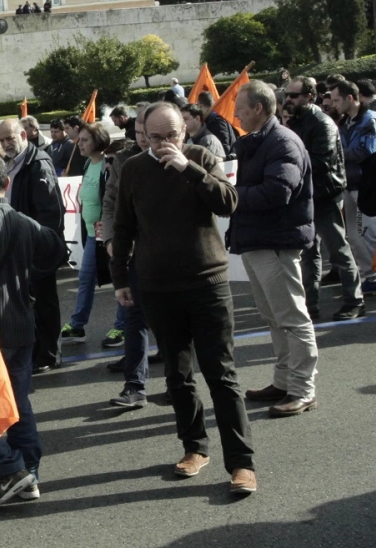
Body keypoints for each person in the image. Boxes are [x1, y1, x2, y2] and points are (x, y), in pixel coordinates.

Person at [111, 102, 256, 496]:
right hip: (158, 286)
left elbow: (228, 202)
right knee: (177, 375)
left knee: (221, 374)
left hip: (207, 282)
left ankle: (241, 463)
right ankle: (194, 447)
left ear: (184, 131)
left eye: (171, 135)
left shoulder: (201, 157)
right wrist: (120, 277)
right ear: (142, 134)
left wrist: (187, 168)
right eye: (155, 137)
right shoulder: (133, 169)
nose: (163, 143)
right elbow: (122, 227)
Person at [0, 155, 67, 507]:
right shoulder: (22, 221)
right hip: (22, 325)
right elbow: (56, 248)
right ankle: (28, 474)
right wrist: (30, 272)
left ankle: (11, 469)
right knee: (17, 405)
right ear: (6, 184)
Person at [230, 82, 320, 419]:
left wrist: (231, 195)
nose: (235, 114)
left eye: (240, 107)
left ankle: (302, 389)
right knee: (275, 317)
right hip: (259, 241)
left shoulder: (282, 142)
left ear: (258, 108)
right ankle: (284, 382)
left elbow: (276, 192)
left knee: (292, 319)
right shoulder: (261, 141)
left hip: (275, 242)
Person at [284, 77, 364, 321]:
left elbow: (322, 161)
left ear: (309, 96)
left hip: (324, 194)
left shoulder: (321, 122)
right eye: (287, 95)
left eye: (294, 95)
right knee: (308, 253)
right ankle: (311, 305)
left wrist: (291, 159)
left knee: (337, 249)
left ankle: (354, 301)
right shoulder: (296, 122)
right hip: (306, 194)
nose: (288, 99)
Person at [0, 119, 66, 373]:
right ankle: (37, 351)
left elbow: (50, 212)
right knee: (29, 301)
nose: (6, 144)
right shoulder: (9, 162)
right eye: (2, 140)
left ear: (23, 135)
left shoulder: (37, 164)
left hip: (37, 246)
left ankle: (49, 353)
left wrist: (38, 245)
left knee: (44, 301)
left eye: (10, 138)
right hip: (19, 245)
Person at [101, 114, 156, 404]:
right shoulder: (124, 161)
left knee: (170, 319)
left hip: (170, 255)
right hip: (134, 252)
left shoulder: (186, 156)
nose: (143, 139)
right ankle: (135, 386)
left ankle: (179, 385)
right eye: (138, 133)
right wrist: (111, 240)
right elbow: (110, 203)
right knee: (135, 317)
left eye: (148, 132)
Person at [333, 79, 376, 294]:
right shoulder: (345, 122)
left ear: (350, 98)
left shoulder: (370, 120)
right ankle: (371, 277)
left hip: (368, 186)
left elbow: (369, 153)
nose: (334, 104)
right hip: (349, 184)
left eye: (337, 100)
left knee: (370, 233)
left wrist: (337, 152)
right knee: (355, 237)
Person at [60, 123, 112, 345]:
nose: (79, 144)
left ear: (97, 142)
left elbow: (112, 200)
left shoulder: (108, 166)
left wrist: (108, 226)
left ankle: (123, 326)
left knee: (121, 282)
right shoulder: (88, 164)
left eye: (84, 140)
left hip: (109, 236)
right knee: (86, 279)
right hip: (92, 236)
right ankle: (77, 325)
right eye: (79, 140)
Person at [199, 91, 238, 159]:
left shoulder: (217, 120)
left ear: (200, 106)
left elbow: (225, 145)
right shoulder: (210, 119)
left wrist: (224, 159)